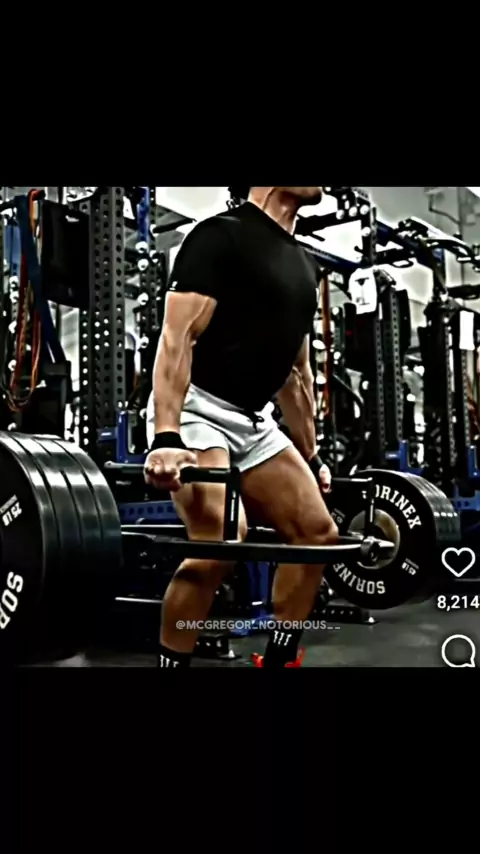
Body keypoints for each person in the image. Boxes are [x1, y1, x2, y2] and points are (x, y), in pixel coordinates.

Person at [145, 187, 338, 668]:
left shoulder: (305, 265)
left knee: (317, 534)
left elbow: (296, 375)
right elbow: (178, 337)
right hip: (198, 409)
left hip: (254, 421)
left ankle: (279, 661)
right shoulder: (218, 236)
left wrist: (311, 456)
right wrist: (166, 436)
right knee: (221, 537)